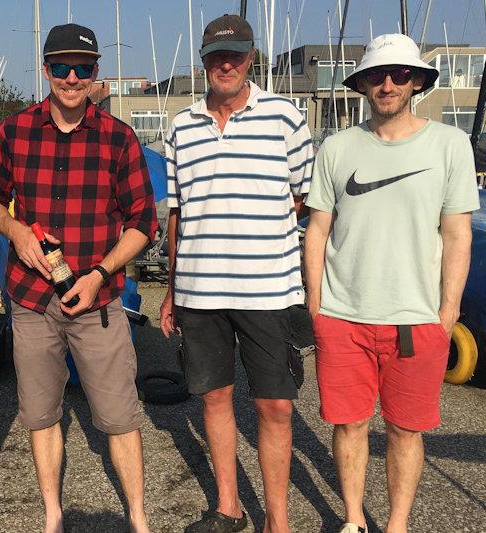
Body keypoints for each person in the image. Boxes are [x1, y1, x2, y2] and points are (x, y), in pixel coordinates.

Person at [304, 34, 480, 533]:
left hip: (416, 319)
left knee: (405, 430)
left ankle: (398, 524)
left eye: (400, 74)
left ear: (418, 81)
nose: (387, 83)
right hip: (343, 317)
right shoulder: (336, 148)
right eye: (377, 75)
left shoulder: (450, 145)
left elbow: (457, 235)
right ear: (360, 84)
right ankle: (354, 519)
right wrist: (317, 308)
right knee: (349, 424)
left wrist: (446, 315)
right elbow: (316, 231)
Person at [0, 23, 157, 533]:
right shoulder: (14, 130)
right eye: (60, 67)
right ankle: (53, 516)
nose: (70, 77)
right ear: (46, 71)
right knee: (41, 413)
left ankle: (139, 518)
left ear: (95, 75)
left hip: (98, 298)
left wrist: (101, 272)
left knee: (121, 417)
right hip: (32, 298)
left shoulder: (118, 138)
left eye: (82, 68)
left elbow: (143, 224)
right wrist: (16, 231)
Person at [160, 14, 314, 533]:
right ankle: (229, 507)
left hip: (268, 291)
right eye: (215, 56)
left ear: (252, 57)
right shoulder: (181, 126)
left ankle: (279, 521)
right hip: (200, 293)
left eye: (237, 54)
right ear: (203, 60)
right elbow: (177, 212)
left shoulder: (286, 117)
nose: (225, 64)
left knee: (275, 406)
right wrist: (172, 291)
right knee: (215, 398)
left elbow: (303, 199)